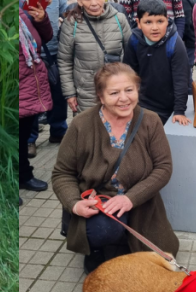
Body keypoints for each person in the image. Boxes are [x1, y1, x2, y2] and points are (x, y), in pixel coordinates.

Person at [52, 63, 179, 274]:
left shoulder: (150, 121)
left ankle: (123, 242)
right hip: (98, 202)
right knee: (103, 231)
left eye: (129, 90)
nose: (124, 98)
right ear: (101, 97)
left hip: (140, 201)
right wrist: (74, 204)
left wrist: (130, 198)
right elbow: (62, 173)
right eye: (114, 92)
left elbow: (163, 168)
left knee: (161, 261)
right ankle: (97, 250)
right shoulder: (81, 125)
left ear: (137, 90)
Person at [19, 0, 68, 159]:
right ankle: (29, 140)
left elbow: (64, 7)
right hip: (30, 53)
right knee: (31, 98)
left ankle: (58, 131)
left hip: (56, 47)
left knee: (59, 93)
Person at [58, 0, 132, 114]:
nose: (93, 3)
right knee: (90, 133)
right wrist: (70, 94)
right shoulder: (71, 24)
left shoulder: (119, 19)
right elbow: (64, 61)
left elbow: (132, 54)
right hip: (86, 92)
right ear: (79, 0)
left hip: (118, 89)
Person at [123, 0, 189, 126]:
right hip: (142, 104)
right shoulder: (134, 41)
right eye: (148, 22)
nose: (155, 27)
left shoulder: (175, 44)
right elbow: (128, 75)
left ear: (167, 21)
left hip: (168, 107)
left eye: (160, 21)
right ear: (139, 23)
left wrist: (179, 110)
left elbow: (181, 79)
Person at [19, 4, 53, 193]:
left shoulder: (22, 13)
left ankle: (24, 176)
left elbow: (45, 38)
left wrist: (42, 20)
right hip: (20, 83)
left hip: (32, 84)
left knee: (22, 135)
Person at [169, 0, 196, 91]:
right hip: (190, 42)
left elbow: (186, 22)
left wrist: (181, 40)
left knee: (185, 73)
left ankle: (190, 97)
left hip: (187, 42)